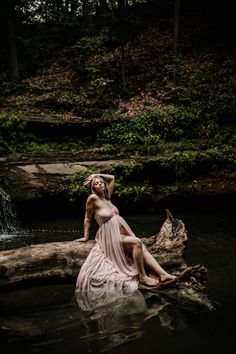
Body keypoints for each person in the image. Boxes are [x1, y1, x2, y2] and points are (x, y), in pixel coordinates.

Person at [75, 173, 176, 308]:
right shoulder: (92, 198)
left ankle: (163, 274)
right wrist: (86, 237)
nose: (99, 184)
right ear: (92, 188)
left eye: (101, 182)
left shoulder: (107, 197)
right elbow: (87, 218)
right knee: (137, 242)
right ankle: (142, 276)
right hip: (107, 236)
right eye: (96, 184)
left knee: (141, 245)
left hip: (119, 234)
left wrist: (96, 174)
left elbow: (112, 178)